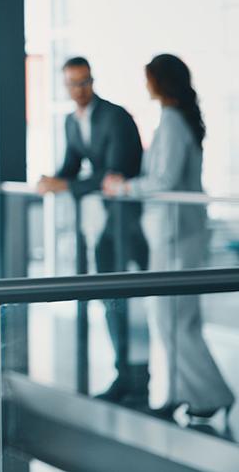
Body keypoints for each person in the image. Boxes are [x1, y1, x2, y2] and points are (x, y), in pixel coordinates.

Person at [102, 53, 235, 429]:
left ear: (162, 82)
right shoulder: (173, 120)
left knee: (176, 320)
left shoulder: (174, 123)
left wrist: (123, 187)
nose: (145, 85)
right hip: (171, 234)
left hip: (177, 235)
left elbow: (164, 181)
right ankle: (182, 394)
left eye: (149, 78)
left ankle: (213, 395)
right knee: (168, 319)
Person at [36, 56, 151, 407]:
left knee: (132, 295)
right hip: (106, 220)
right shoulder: (72, 122)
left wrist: (64, 186)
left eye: (84, 82)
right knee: (108, 291)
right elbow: (71, 167)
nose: (79, 90)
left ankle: (139, 375)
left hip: (132, 219)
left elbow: (113, 173)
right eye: (72, 84)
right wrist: (52, 179)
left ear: (92, 80)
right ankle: (125, 373)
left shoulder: (115, 116)